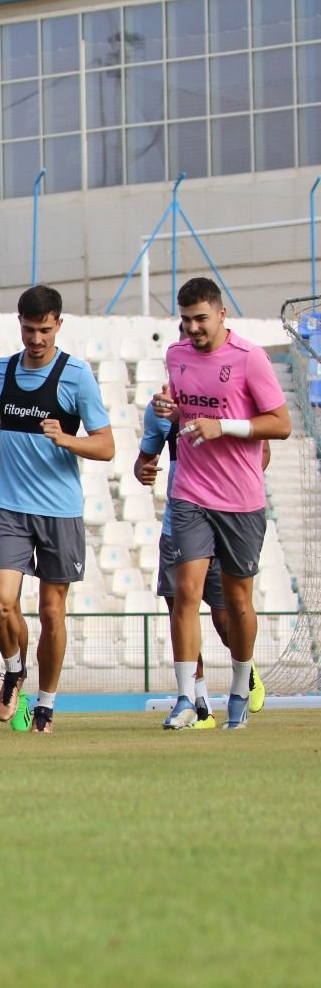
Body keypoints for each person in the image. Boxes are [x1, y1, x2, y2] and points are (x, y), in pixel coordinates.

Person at [0, 286, 114, 734]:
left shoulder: (76, 376)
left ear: (58, 325)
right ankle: (14, 670)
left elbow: (106, 446)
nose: (37, 338)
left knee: (51, 611)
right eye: (29, 329)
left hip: (60, 511)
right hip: (9, 506)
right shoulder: (1, 372)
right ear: (20, 325)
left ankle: (46, 705)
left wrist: (67, 439)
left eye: (45, 329)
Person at [153, 277, 289, 730]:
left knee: (236, 601)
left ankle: (240, 684)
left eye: (201, 319)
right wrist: (170, 409)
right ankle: (185, 699)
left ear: (221, 314)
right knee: (185, 593)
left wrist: (223, 426)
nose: (193, 328)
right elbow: (185, 408)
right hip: (190, 492)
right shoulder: (176, 355)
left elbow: (280, 424)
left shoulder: (250, 358)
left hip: (241, 499)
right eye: (186, 319)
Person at [137, 392, 270, 729]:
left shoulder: (229, 401)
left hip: (224, 519)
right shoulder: (160, 409)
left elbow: (264, 451)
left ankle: (245, 668)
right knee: (181, 607)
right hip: (179, 524)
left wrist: (231, 483)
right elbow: (145, 458)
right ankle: (200, 707)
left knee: (226, 619)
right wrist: (144, 470)